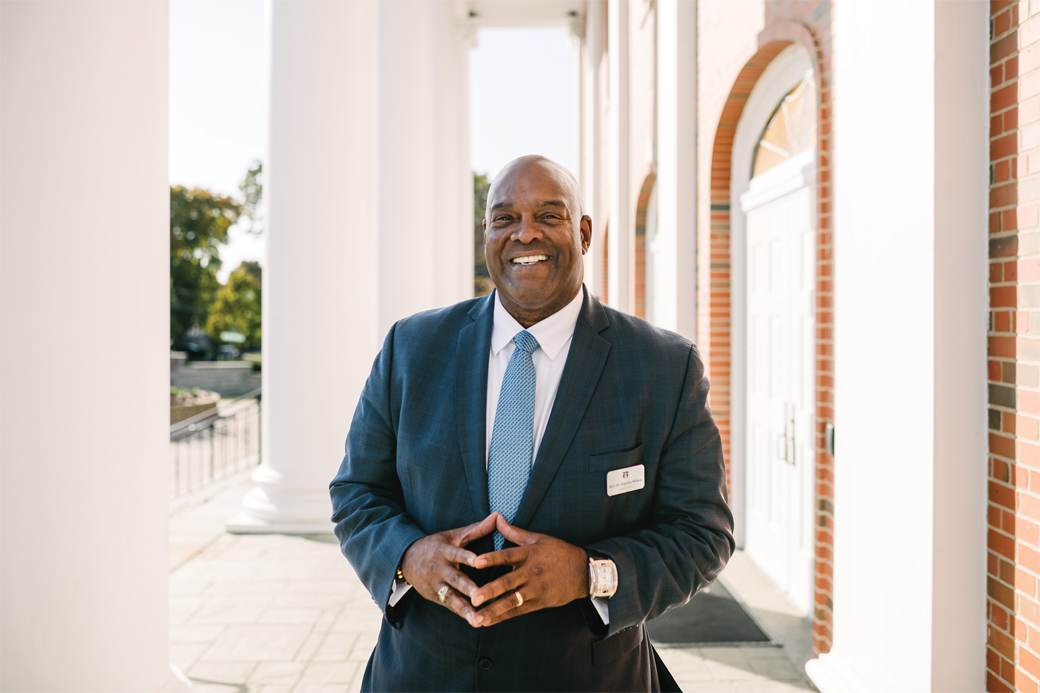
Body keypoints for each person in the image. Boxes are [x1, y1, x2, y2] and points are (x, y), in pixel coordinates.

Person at [330, 155, 734, 692]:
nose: (525, 234)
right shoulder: (412, 348)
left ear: (583, 232)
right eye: (505, 218)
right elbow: (357, 492)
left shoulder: (664, 367)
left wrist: (590, 574)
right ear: (486, 235)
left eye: (549, 215)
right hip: (419, 676)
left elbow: (702, 534)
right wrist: (407, 557)